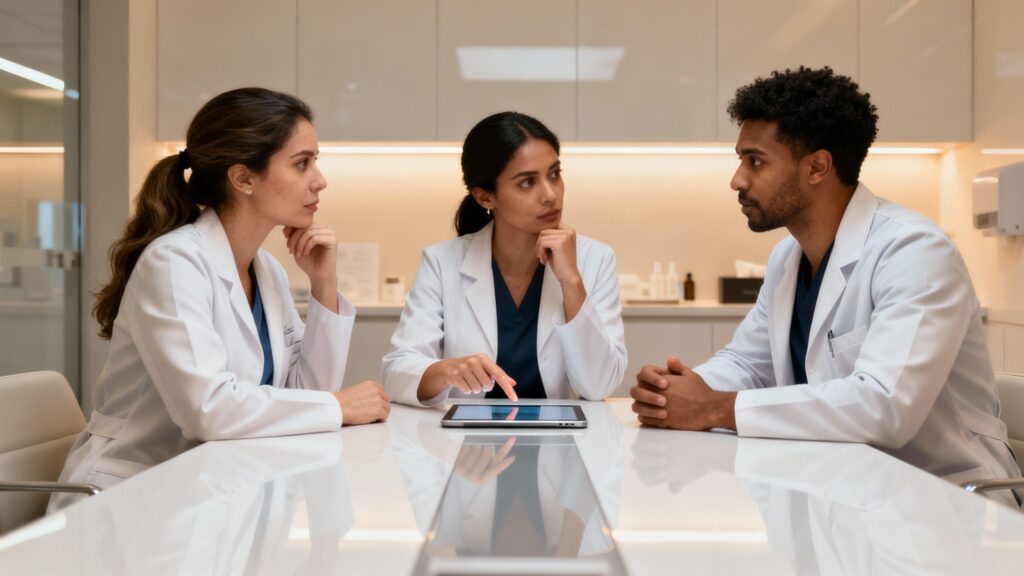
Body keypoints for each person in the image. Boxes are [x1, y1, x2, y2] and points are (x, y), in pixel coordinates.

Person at [630, 67, 1022, 508]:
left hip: (946, 503)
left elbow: (884, 406)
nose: (737, 180)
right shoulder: (788, 257)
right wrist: (679, 390)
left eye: (755, 161)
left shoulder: (915, 252)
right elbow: (749, 362)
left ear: (817, 166)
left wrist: (714, 408)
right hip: (847, 492)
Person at [49, 87, 389, 512]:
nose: (320, 180)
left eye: (315, 162)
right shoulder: (175, 263)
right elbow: (207, 410)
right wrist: (338, 406)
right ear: (243, 177)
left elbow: (306, 394)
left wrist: (324, 285)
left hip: (211, 489)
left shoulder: (266, 270)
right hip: (129, 497)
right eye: (302, 163)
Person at [382, 112, 627, 406]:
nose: (550, 195)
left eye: (554, 174)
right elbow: (396, 373)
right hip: (469, 447)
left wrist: (571, 281)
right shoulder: (441, 262)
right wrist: (445, 370)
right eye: (527, 183)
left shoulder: (594, 260)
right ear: (486, 198)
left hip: (562, 443)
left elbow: (598, 386)